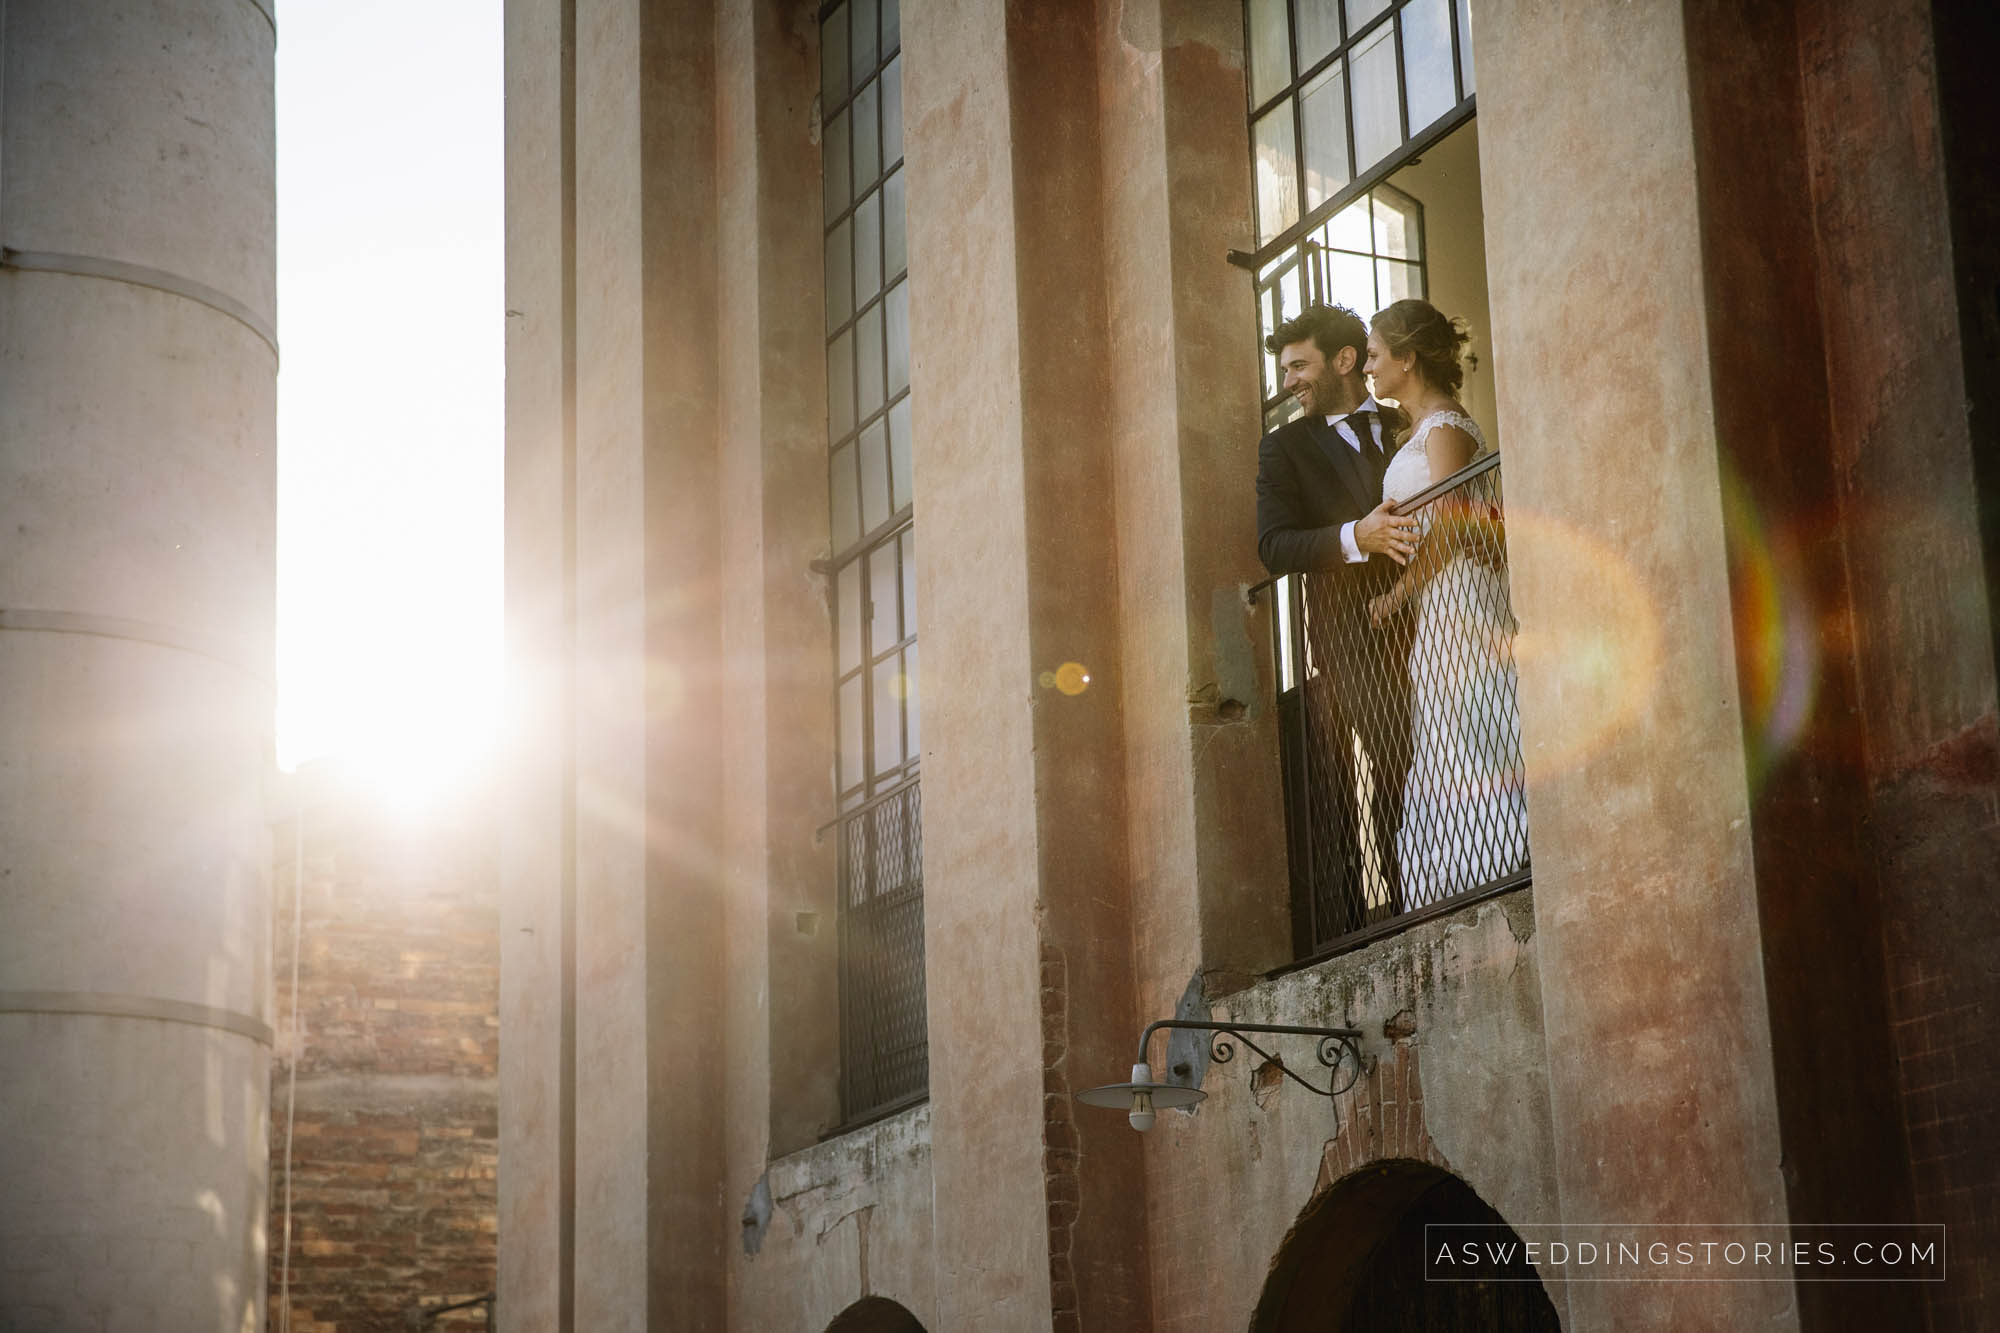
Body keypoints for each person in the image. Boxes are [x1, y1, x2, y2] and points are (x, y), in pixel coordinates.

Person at [1255, 303, 1423, 926]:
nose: (1289, 381)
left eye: (1299, 365)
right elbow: (1274, 547)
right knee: (1394, 760)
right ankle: (1410, 905)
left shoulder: (1409, 417)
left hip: (1437, 612)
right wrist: (1358, 536)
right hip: (1351, 634)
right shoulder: (1285, 450)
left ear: (1345, 361)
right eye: (1285, 369)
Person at [1361, 298, 1528, 902]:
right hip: (1441, 601)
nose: (1369, 369)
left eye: (1376, 356)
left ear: (1408, 357)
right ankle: (1459, 869)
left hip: (1458, 595)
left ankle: (1502, 853)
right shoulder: (1417, 431)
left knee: (1473, 712)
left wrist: (1399, 594)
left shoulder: (1445, 427)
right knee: (1444, 718)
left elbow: (1454, 524)